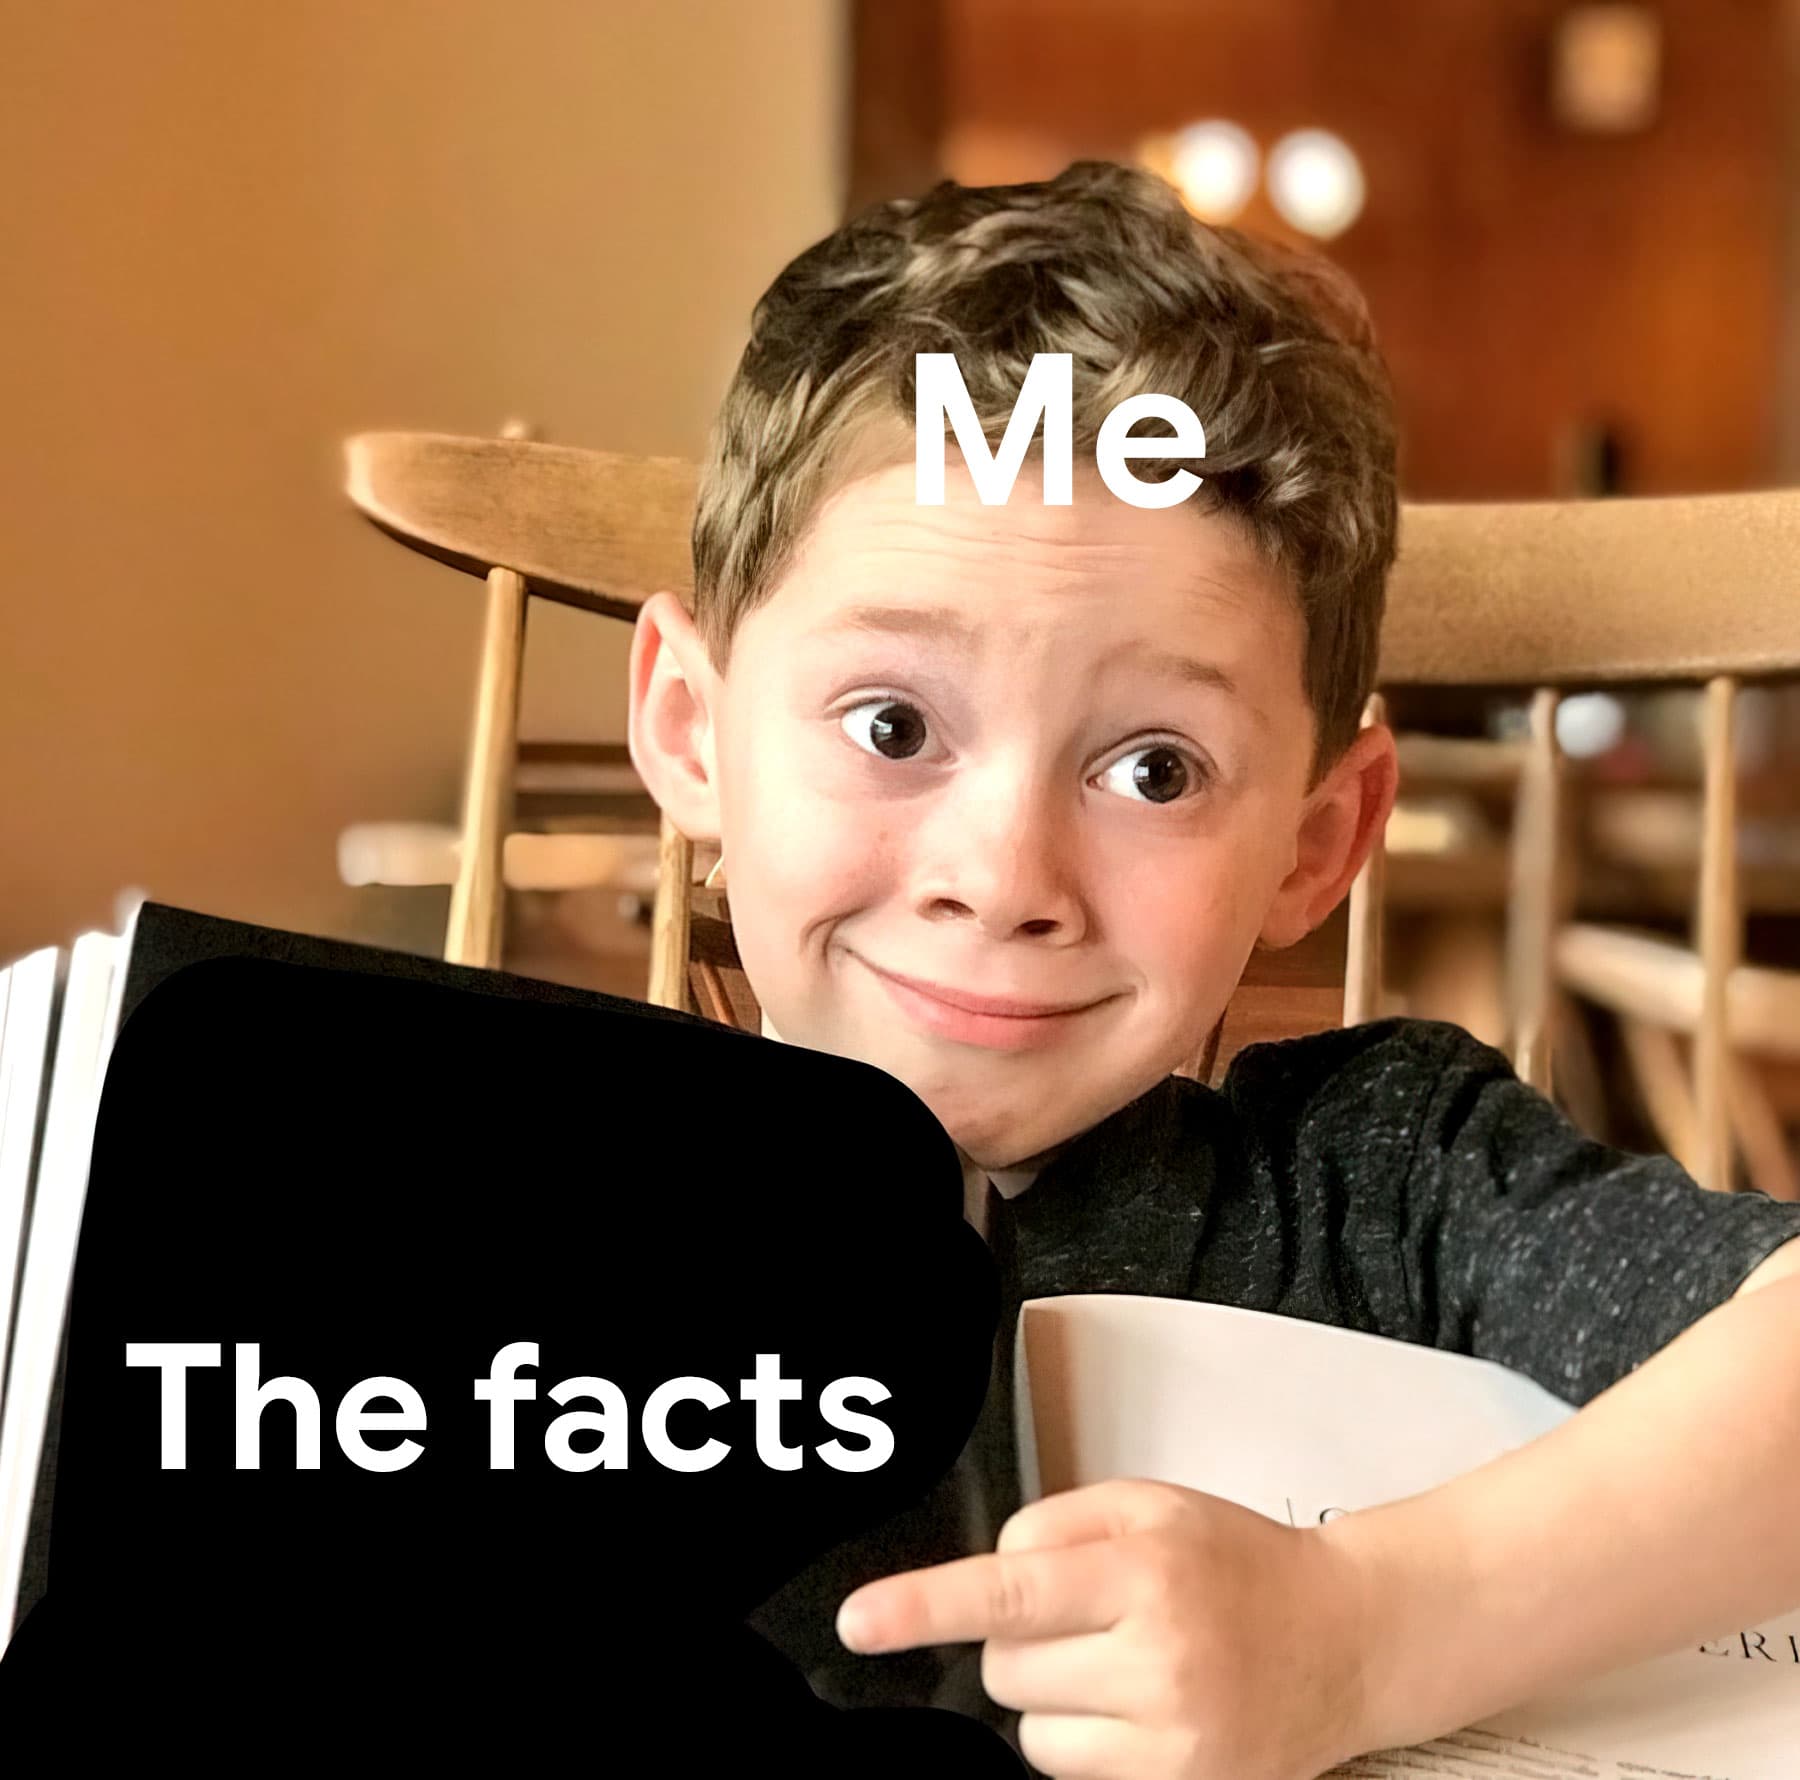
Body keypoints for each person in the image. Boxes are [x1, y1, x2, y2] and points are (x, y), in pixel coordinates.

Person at [625, 160, 1800, 1778]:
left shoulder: (1383, 1188)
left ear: (1318, 843)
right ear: (693, 727)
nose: (1004, 880)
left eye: (1156, 770)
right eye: (894, 725)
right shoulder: (533, 1196)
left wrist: (1364, 1631)